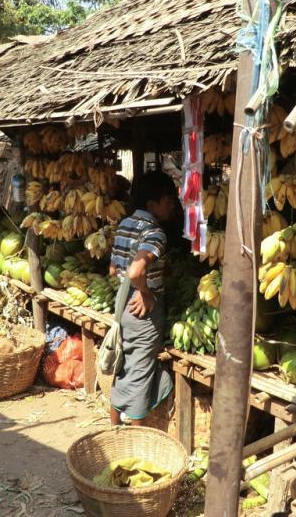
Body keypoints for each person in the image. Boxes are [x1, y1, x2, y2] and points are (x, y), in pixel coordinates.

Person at [108, 170, 177, 425]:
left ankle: (114, 430)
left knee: (125, 369)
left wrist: (152, 274)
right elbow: (137, 269)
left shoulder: (125, 225)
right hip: (143, 314)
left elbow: (114, 269)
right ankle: (137, 439)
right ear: (152, 204)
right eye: (168, 200)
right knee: (140, 372)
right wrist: (145, 292)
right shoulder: (156, 233)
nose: (172, 205)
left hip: (122, 305)